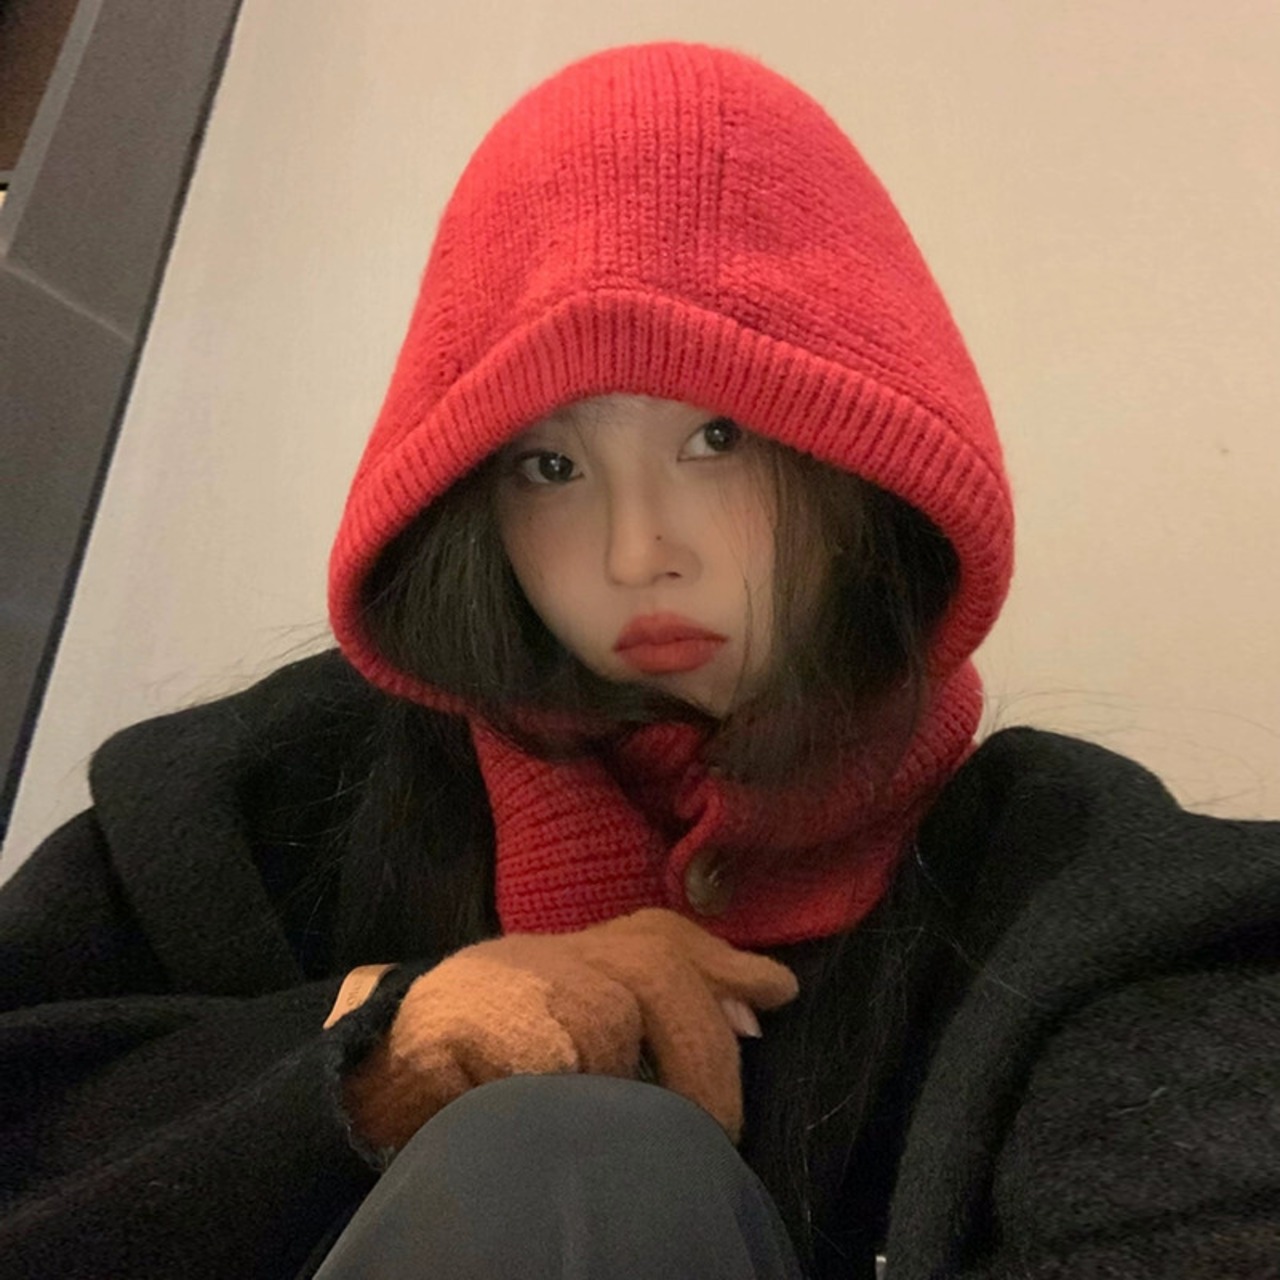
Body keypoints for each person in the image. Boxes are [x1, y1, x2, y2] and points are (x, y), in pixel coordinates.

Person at [1, 40, 1276, 1280]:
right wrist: (378, 1041)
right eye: (548, 465)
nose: (636, 551)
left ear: (860, 459)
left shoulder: (1055, 881)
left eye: (718, 437)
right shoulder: (258, 805)